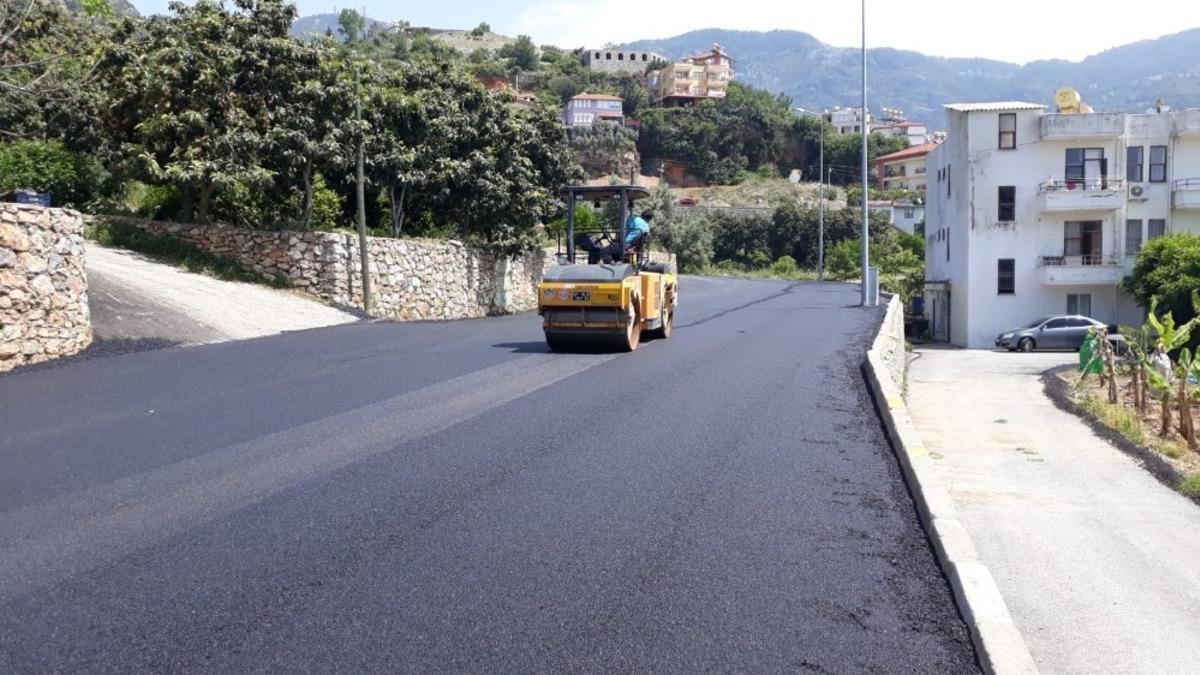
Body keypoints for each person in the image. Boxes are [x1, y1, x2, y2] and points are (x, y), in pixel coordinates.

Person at [576, 209, 653, 264]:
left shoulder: (634, 219)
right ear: (649, 218)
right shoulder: (647, 227)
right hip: (632, 246)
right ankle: (615, 263)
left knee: (603, 251)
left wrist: (617, 239)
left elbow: (624, 229)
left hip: (624, 245)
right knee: (611, 251)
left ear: (642, 213)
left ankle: (613, 269)